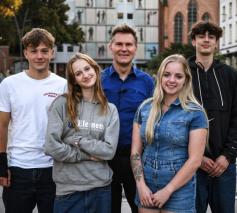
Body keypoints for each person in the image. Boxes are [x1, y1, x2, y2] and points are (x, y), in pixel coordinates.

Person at [0, 28, 67, 213]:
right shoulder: (9, 84)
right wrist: (1, 163)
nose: (39, 56)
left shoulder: (62, 85)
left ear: (52, 53)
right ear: (25, 53)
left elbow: (67, 127)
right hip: (18, 169)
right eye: (34, 50)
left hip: (53, 169)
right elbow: (2, 125)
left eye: (44, 50)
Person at [131, 54, 208, 213]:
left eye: (178, 76)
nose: (171, 80)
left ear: (185, 80)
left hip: (179, 190)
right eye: (167, 74)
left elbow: (195, 160)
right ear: (160, 77)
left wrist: (168, 190)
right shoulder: (145, 108)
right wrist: (141, 186)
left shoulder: (195, 113)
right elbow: (135, 152)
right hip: (146, 187)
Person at [45, 53, 119, 213]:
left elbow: (109, 151)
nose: (85, 75)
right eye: (78, 73)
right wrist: (82, 155)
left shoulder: (110, 110)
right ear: (73, 80)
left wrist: (78, 141)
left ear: (95, 70)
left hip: (100, 189)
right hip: (68, 192)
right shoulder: (61, 104)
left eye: (87, 69)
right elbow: (51, 146)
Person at [102, 24, 154, 213]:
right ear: (111, 46)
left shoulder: (147, 82)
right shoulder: (98, 81)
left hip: (137, 160)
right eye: (119, 44)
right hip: (105, 161)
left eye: (129, 44)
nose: (124, 49)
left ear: (135, 47)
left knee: (141, 209)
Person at [188, 21, 237, 213]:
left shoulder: (230, 75)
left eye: (211, 37)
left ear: (216, 43)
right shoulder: (183, 75)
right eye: (201, 36)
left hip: (224, 166)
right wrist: (196, 158)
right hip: (191, 167)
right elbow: (174, 119)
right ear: (194, 41)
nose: (206, 40)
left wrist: (227, 156)